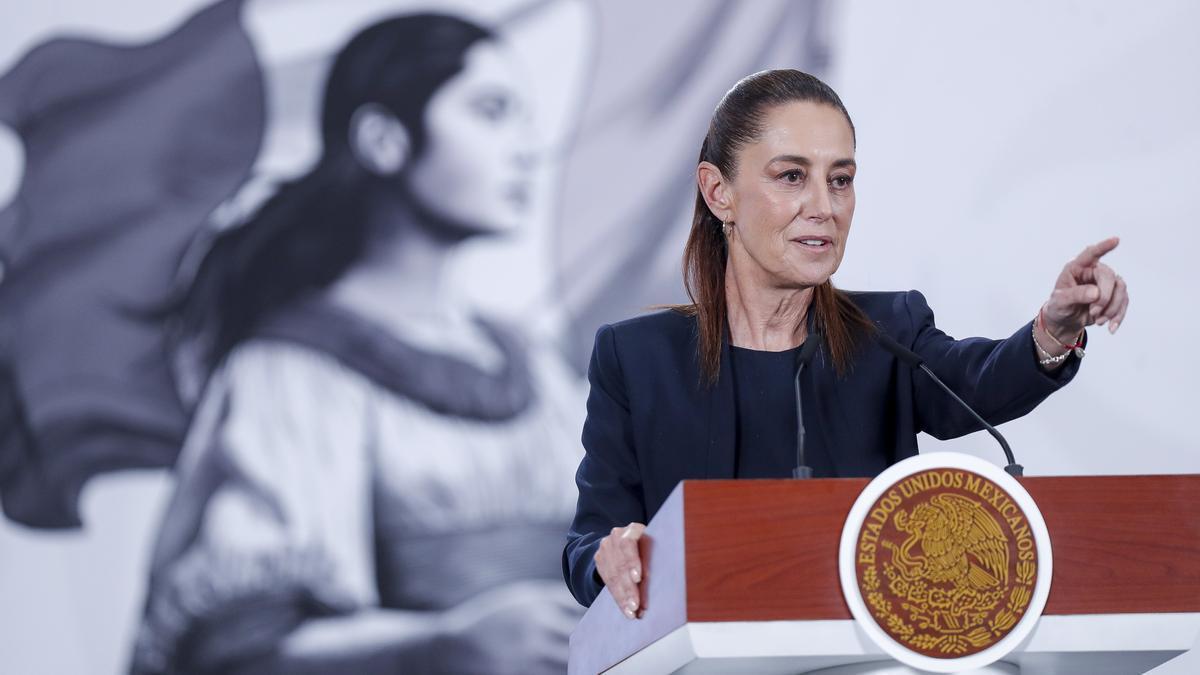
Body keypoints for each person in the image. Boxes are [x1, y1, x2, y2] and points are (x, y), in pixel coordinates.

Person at [562, 69, 1129, 618]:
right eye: (791, 177)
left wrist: (1055, 330)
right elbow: (589, 543)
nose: (825, 207)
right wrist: (610, 558)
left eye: (840, 179)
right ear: (718, 192)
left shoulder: (887, 332)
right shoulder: (636, 358)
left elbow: (978, 381)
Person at [132, 14, 584, 674]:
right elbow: (239, 649)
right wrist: (443, 644)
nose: (526, 147)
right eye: (491, 111)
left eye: (523, 116)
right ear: (383, 139)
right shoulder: (290, 371)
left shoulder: (535, 368)